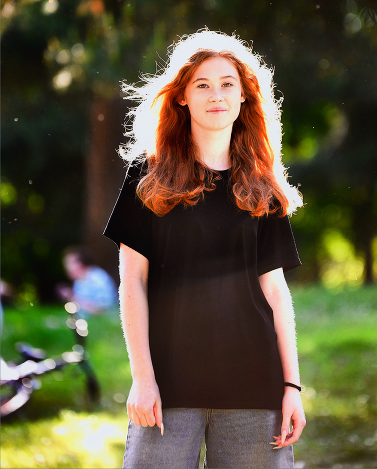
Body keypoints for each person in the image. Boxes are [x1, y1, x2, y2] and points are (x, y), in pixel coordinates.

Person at [104, 29, 306, 469]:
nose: (217, 95)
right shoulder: (147, 176)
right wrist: (143, 378)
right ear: (181, 96)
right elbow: (132, 281)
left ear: (244, 95)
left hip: (255, 387)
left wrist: (291, 386)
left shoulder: (262, 185)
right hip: (167, 389)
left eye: (228, 84)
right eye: (203, 84)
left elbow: (276, 292)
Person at [59, 245, 118, 315]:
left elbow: (104, 308)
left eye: (69, 263)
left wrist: (72, 297)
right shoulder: (78, 282)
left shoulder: (97, 278)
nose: (66, 267)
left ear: (80, 263)